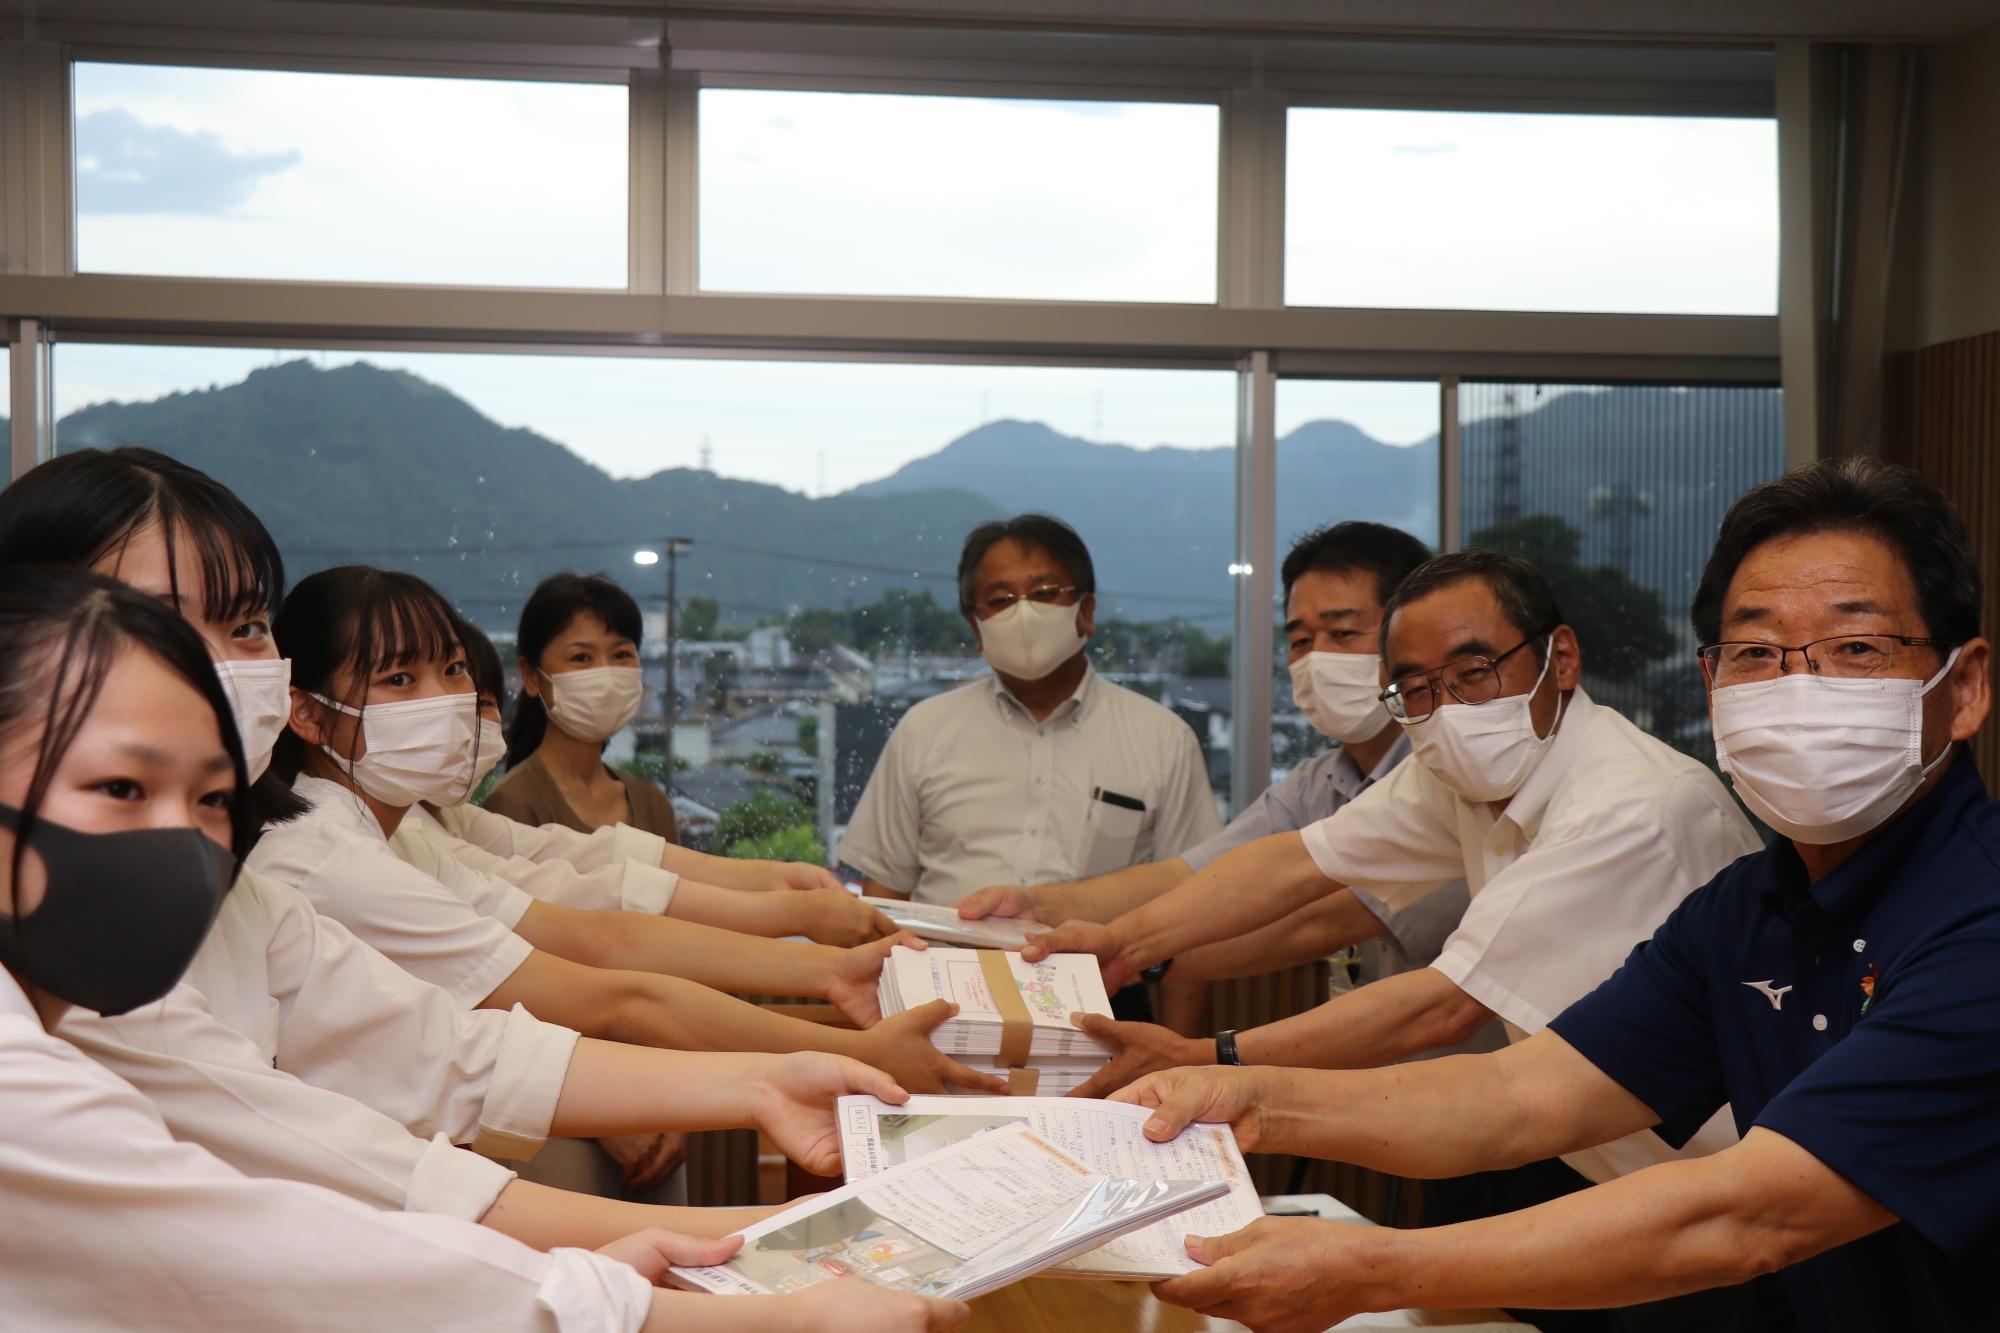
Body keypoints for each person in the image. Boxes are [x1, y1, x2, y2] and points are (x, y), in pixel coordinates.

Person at [1112, 458, 1994, 1333]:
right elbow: (1521, 1094)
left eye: (1856, 649)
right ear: (1712, 684)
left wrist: (1375, 1267)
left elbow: (1748, 1214)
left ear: (1963, 688)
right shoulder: (1748, 908)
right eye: (1757, 652)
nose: (1800, 691)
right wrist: (1245, 1098)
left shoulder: (1979, 918)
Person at [0, 563, 965, 1332]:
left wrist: (763, 1095)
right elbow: (273, 1228)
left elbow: (458, 1047)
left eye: (211, 799)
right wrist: (759, 1278)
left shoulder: (284, 874)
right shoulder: (311, 860)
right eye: (122, 788)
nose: (178, 840)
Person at [1029, 547, 1771, 1328]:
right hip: (1608, 1171)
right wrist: (1124, 941)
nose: (1449, 707)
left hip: (1725, 1194)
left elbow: (1442, 1009)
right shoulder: (1461, 768)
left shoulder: (1631, 806)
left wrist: (1212, 1062)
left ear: (1561, 658)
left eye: (1474, 670)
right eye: (1417, 687)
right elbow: (1300, 862)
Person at [250, 562, 1005, 1095]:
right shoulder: (331, 859)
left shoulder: (403, 831)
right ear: (308, 710)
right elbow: (609, 978)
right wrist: (841, 1031)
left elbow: (594, 899)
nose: (447, 701)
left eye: (452, 672)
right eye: (398, 680)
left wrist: (811, 955)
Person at [957, 521, 1497, 1099]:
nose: (1317, 661)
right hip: (1404, 1085)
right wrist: (1040, 903)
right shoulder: (1319, 784)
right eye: (1299, 641)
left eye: (1342, 634)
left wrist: (1141, 956)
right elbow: (1190, 876)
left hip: (1501, 1078)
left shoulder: (1461, 767)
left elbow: (1327, 919)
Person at [839, 513, 1223, 907]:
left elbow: (1194, 895)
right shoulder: (924, 730)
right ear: (976, 628)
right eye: (1001, 601)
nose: (1023, 614)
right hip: (946, 964)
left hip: (1102, 968)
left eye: (1044, 593)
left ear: (1086, 612)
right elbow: (884, 892)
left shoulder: (1164, 741)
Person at [486, 571, 884, 906]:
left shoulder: (652, 803)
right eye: (581, 658)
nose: (606, 674)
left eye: (622, 655)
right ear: (532, 676)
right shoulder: (512, 805)